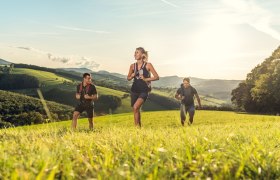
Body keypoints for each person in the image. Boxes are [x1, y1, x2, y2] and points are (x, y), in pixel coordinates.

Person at [127, 47, 159, 127]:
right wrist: (132, 76)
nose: (135, 54)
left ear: (142, 54)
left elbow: (156, 77)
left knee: (135, 107)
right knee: (136, 109)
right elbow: (128, 78)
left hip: (144, 91)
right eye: (135, 53)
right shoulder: (132, 66)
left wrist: (146, 79)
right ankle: (138, 129)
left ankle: (136, 128)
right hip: (134, 90)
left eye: (137, 52)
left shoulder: (148, 65)